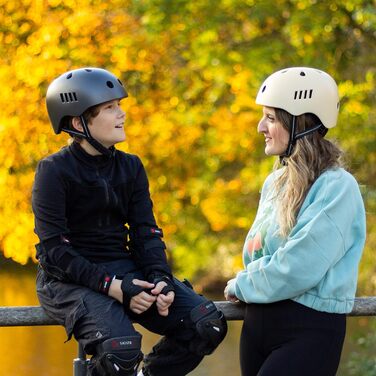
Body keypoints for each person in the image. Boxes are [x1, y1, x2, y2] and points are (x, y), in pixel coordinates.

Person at [32, 67, 227, 376]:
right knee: (120, 350)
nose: (121, 114)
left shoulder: (131, 166)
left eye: (119, 105)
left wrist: (160, 279)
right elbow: (55, 252)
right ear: (77, 122)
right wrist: (115, 288)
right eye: (109, 108)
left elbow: (145, 232)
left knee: (206, 324)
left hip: (122, 269)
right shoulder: (53, 171)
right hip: (66, 279)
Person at [224, 67, 366, 376]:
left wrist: (244, 284)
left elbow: (301, 265)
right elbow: (257, 254)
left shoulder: (337, 187)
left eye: (272, 118)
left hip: (308, 329)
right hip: (257, 327)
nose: (261, 126)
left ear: (299, 124)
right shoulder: (275, 182)